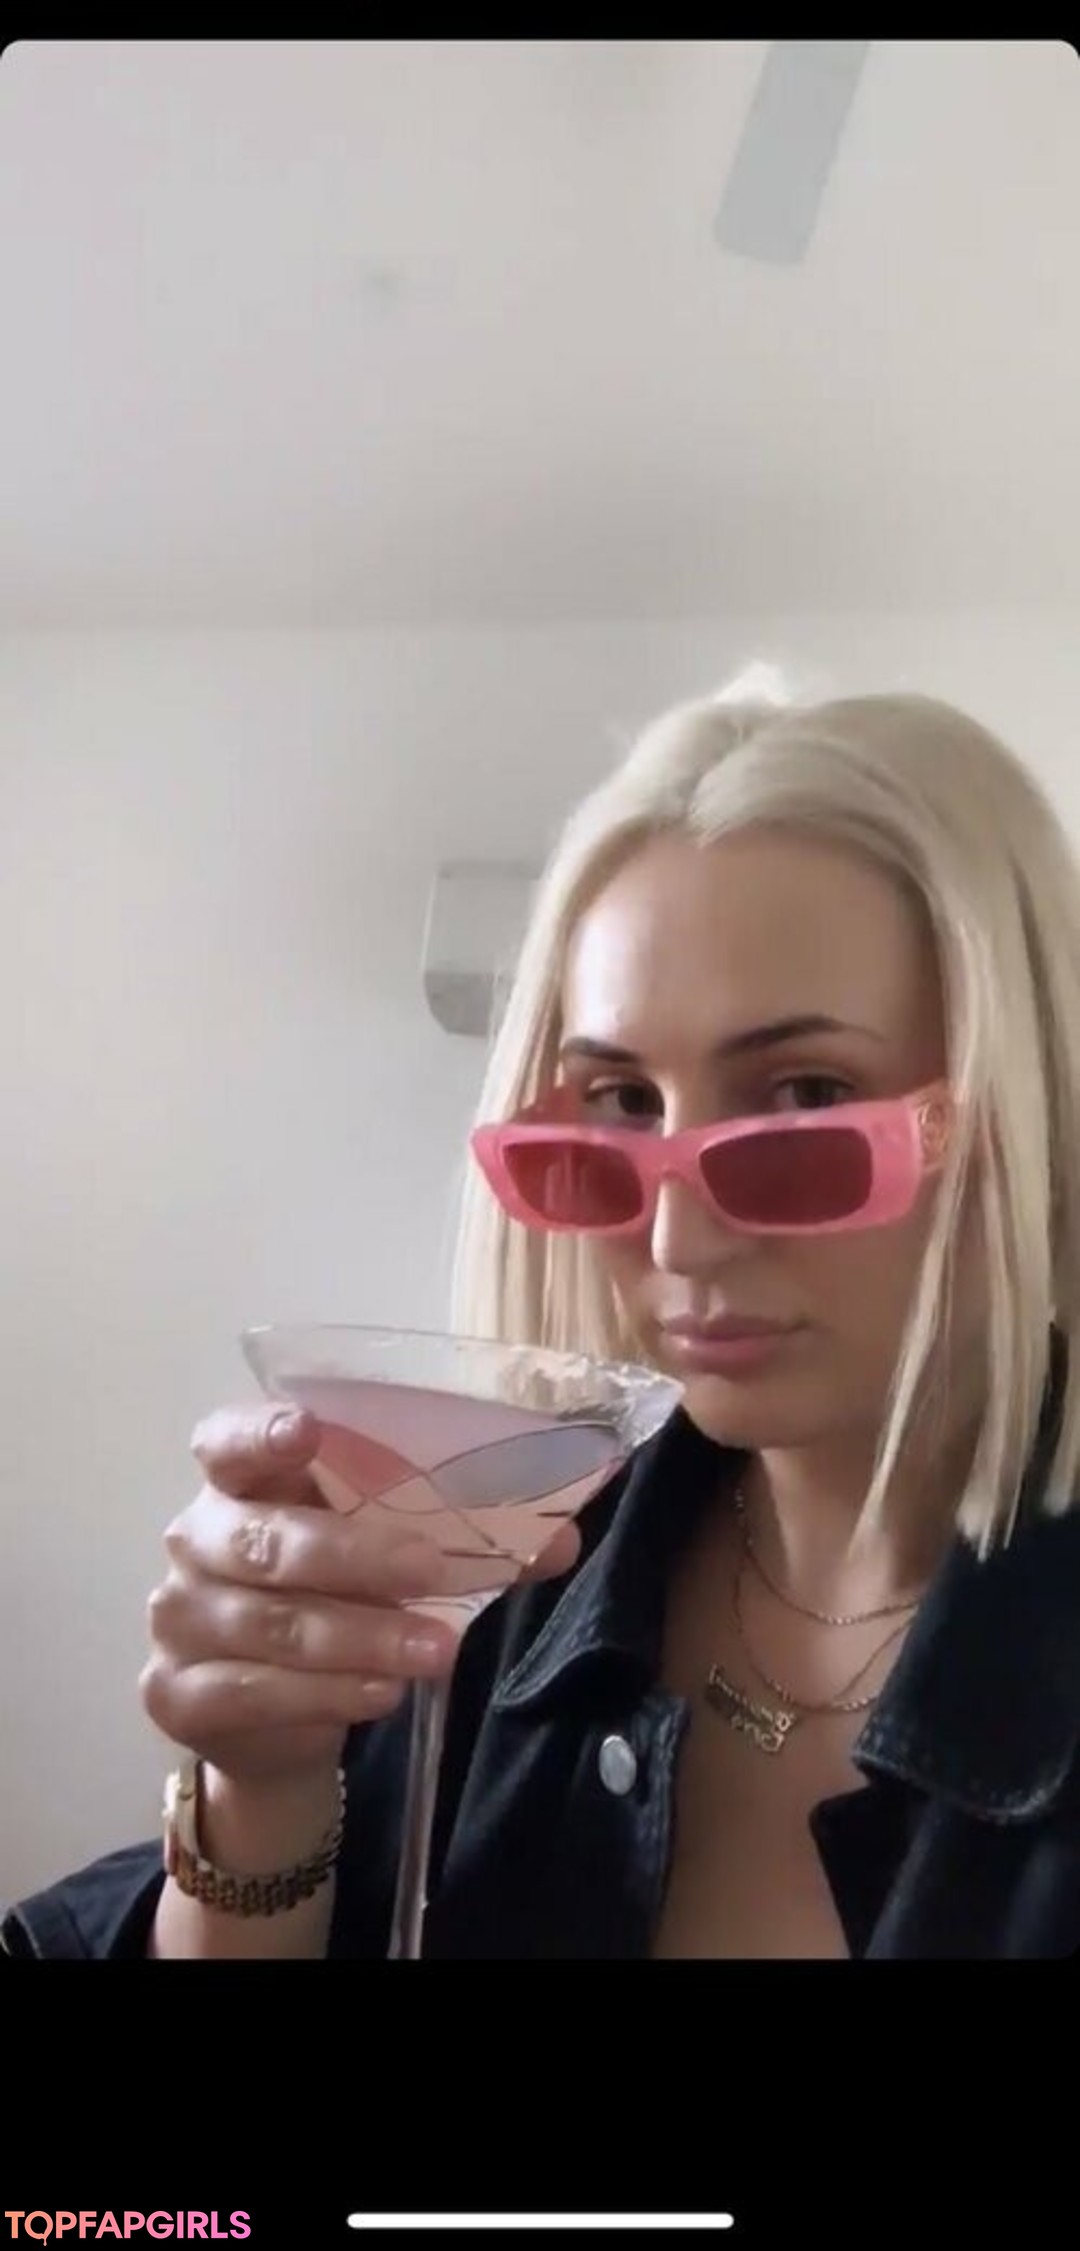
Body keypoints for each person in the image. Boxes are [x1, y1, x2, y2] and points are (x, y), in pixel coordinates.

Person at [7, 664, 1080, 1960]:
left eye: (805, 1096)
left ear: (1025, 1118)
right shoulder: (508, 1568)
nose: (679, 1241)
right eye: (622, 1103)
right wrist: (262, 1790)